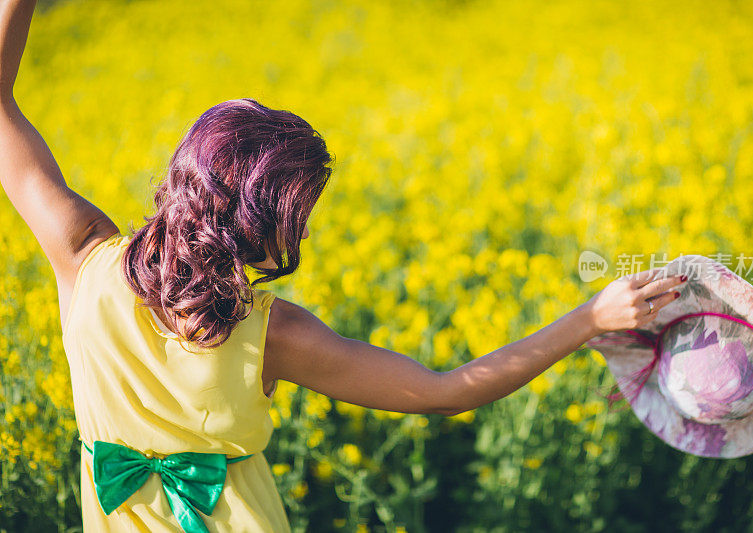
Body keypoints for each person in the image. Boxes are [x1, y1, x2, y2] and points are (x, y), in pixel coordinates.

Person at [0, 0, 687, 530]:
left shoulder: (83, 256)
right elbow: (446, 390)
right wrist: (590, 318)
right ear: (262, 225)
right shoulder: (271, 334)